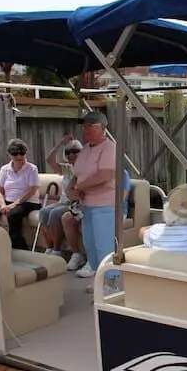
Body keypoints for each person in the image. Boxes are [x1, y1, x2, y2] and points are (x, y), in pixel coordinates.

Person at [68, 111, 119, 293]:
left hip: (105, 205)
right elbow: (76, 174)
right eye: (85, 126)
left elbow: (105, 174)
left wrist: (80, 187)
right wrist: (70, 188)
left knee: (105, 248)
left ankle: (112, 285)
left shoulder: (110, 148)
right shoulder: (85, 149)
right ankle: (99, 281)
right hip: (87, 206)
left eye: (91, 126)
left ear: (103, 128)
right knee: (91, 246)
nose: (86, 129)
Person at [0, 139, 41, 249]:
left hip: (28, 202)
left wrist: (14, 204)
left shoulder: (32, 169)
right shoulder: (5, 169)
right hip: (8, 200)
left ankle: (20, 248)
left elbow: (32, 190)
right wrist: (3, 205)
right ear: (10, 154)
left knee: (13, 215)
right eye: (15, 153)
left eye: (22, 153)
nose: (19, 157)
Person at [38, 135, 82, 256]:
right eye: (68, 152)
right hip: (63, 202)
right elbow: (49, 160)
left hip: (74, 203)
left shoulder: (84, 169)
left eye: (75, 151)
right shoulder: (67, 168)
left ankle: (57, 249)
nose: (71, 155)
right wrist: (60, 144)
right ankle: (49, 247)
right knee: (43, 211)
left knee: (55, 213)